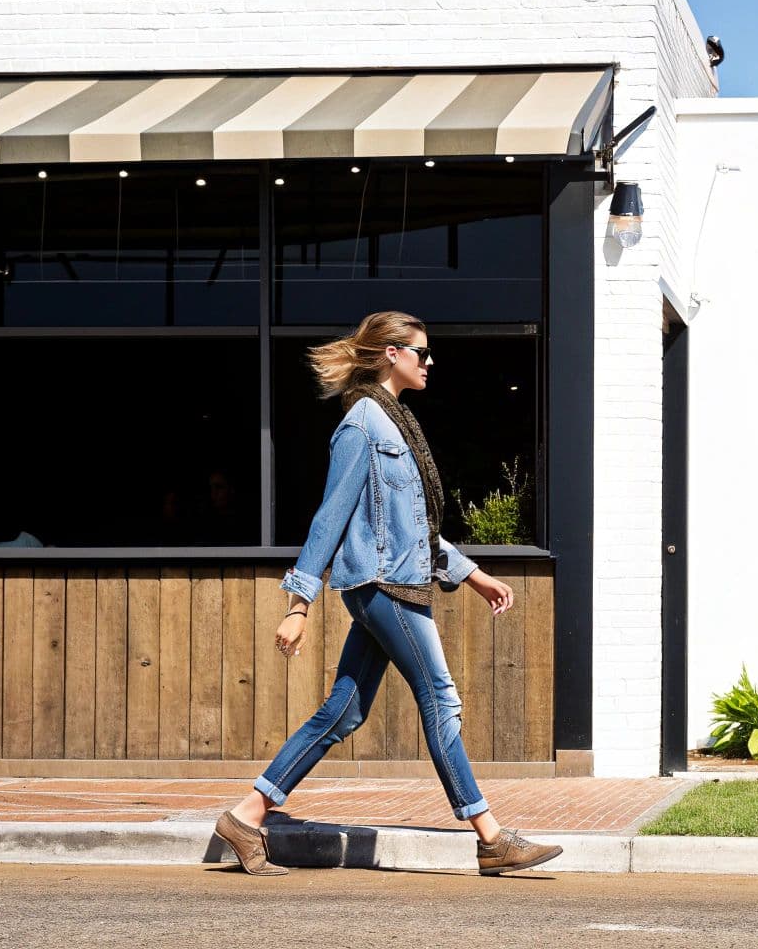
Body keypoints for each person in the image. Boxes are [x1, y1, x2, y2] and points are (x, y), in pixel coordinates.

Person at [214, 310, 562, 878]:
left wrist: (471, 575)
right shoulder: (363, 425)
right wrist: (299, 604)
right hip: (382, 587)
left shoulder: (397, 421)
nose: (430, 362)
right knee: (441, 699)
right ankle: (491, 838)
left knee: (343, 712)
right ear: (391, 355)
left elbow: (414, 525)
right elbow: (330, 517)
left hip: (397, 581)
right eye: (421, 353)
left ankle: (246, 816)